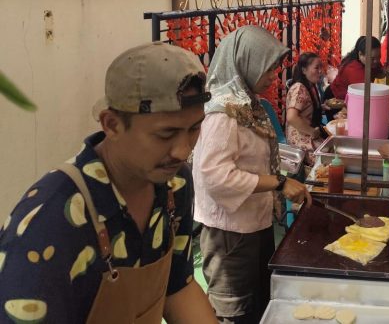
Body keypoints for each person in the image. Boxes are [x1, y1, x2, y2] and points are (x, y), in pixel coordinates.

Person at [0, 42, 219, 323]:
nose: (182, 150)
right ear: (112, 125)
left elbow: (178, 287)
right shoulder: (52, 221)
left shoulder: (174, 185)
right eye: (166, 135)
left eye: (194, 129)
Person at [194, 27, 311, 323]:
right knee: (235, 310)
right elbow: (215, 176)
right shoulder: (222, 115)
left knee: (259, 304)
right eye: (268, 68)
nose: (274, 75)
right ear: (246, 63)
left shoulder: (249, 105)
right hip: (230, 234)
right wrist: (279, 183)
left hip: (253, 224)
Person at [327, 36, 389, 110]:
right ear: (360, 54)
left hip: (350, 100)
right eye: (372, 58)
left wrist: (386, 70)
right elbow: (369, 92)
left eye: (378, 57)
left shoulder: (369, 63)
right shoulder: (354, 69)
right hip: (335, 101)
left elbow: (379, 73)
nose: (376, 61)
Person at [285, 52, 326, 164]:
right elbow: (291, 117)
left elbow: (306, 107)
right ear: (304, 70)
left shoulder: (310, 85)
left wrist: (322, 106)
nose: (320, 71)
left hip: (309, 133)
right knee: (326, 160)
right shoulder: (299, 88)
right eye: (316, 68)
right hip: (300, 138)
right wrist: (312, 132)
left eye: (320, 67)